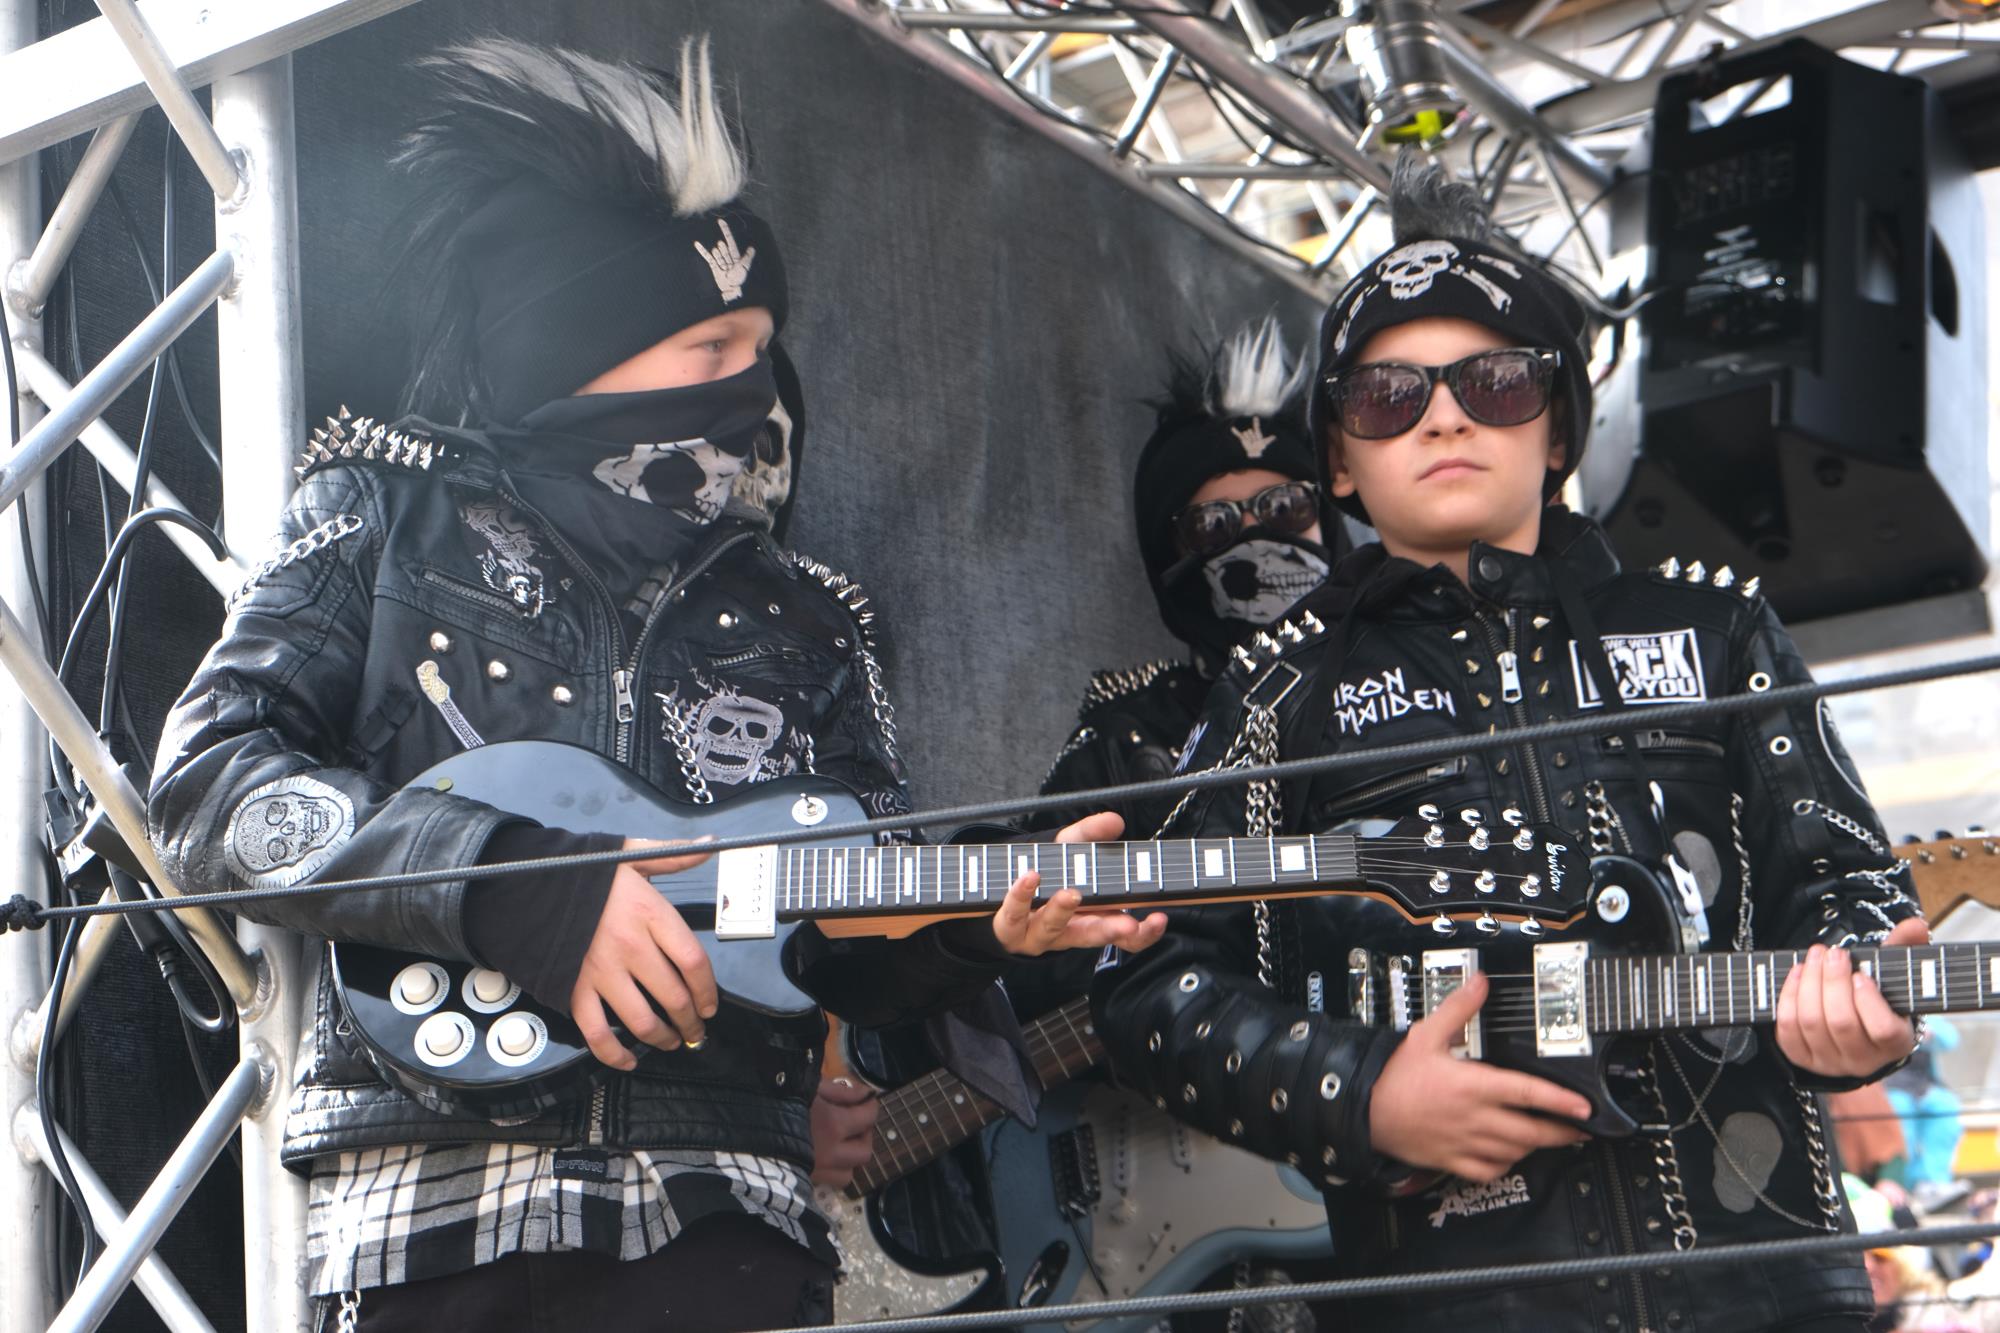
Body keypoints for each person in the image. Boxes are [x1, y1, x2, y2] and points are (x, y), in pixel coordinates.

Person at [146, 40, 1157, 1332]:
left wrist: (976, 931)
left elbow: (839, 932)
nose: (749, 391)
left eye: (762, 347)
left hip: (726, 1216)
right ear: (580, 344)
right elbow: (208, 783)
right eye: (707, 349)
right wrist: (521, 888)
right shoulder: (384, 517)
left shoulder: (817, 620)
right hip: (436, 1213)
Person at [1091, 153, 1929, 1333]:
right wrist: (1364, 1094)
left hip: (1767, 1291)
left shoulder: (1716, 630)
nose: (1441, 413)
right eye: (1388, 395)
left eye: (1492, 382)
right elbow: (1147, 981)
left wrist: (1858, 1008)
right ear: (1337, 456)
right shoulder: (1278, 691)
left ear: (1556, 428)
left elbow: (1846, 886)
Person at [1033, 315, 1337, 841]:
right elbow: (1023, 887)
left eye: (1285, 508)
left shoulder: (1410, 671)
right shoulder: (1126, 732)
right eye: (1213, 525)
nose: (1257, 539)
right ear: (1169, 559)